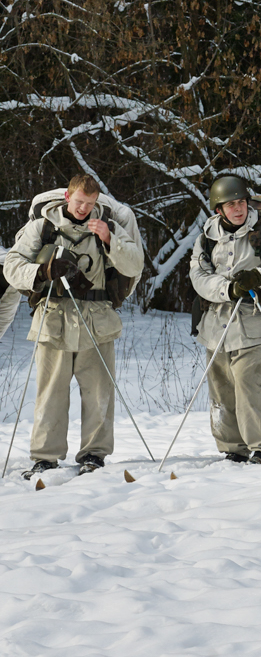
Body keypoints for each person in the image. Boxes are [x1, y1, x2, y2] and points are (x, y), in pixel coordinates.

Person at [2, 173, 145, 475]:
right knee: (50, 391)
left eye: (90, 203)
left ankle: (94, 454)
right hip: (54, 316)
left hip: (98, 317)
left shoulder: (109, 225)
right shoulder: (42, 226)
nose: (83, 209)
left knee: (98, 392)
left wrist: (109, 239)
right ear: (68, 197)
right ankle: (45, 456)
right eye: (79, 202)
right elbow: (13, 266)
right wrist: (43, 272)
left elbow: (135, 264)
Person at [188, 174, 261, 463]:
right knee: (221, 388)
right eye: (230, 204)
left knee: (248, 382)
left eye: (242, 202)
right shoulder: (206, 238)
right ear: (218, 209)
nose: (238, 209)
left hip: (254, 320)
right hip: (215, 324)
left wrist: (257, 277)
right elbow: (198, 277)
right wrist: (226, 289)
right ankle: (232, 449)